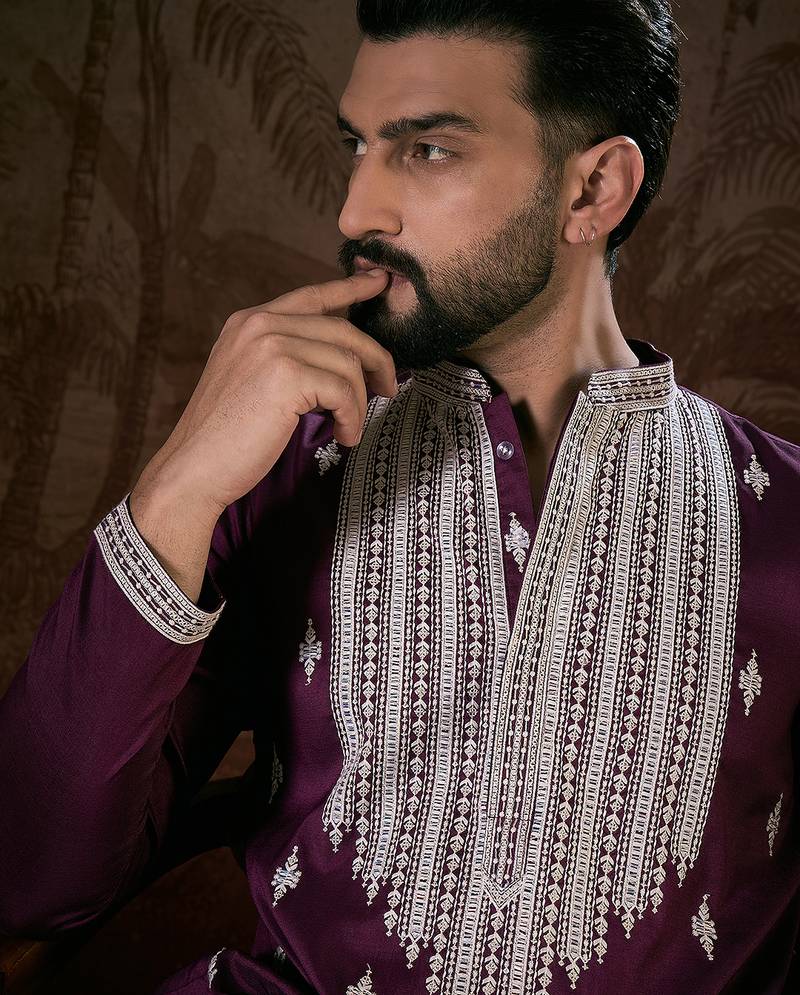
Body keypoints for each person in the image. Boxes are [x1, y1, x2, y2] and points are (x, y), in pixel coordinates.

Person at [1, 1, 799, 993]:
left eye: (425, 150)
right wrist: (177, 486)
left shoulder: (780, 516)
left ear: (593, 188)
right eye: (358, 146)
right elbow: (30, 877)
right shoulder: (291, 466)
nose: (355, 213)